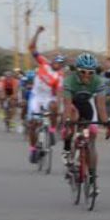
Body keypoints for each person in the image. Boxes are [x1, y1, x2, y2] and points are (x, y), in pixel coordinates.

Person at [61, 53, 110, 189]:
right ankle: (67, 148)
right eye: (83, 72)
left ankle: (92, 176)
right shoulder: (69, 81)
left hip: (87, 104)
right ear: (77, 70)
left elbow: (101, 106)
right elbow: (67, 105)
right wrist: (66, 123)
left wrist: (107, 124)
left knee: (91, 140)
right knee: (73, 117)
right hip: (72, 104)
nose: (86, 75)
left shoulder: (98, 82)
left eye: (90, 72)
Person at [26, 26, 64, 164]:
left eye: (60, 64)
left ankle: (52, 130)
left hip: (49, 98)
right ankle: (32, 149)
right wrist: (37, 32)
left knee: (54, 105)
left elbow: (59, 93)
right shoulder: (43, 63)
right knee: (32, 124)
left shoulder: (59, 75)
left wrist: (59, 110)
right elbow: (31, 48)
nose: (57, 65)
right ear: (52, 61)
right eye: (56, 62)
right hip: (36, 96)